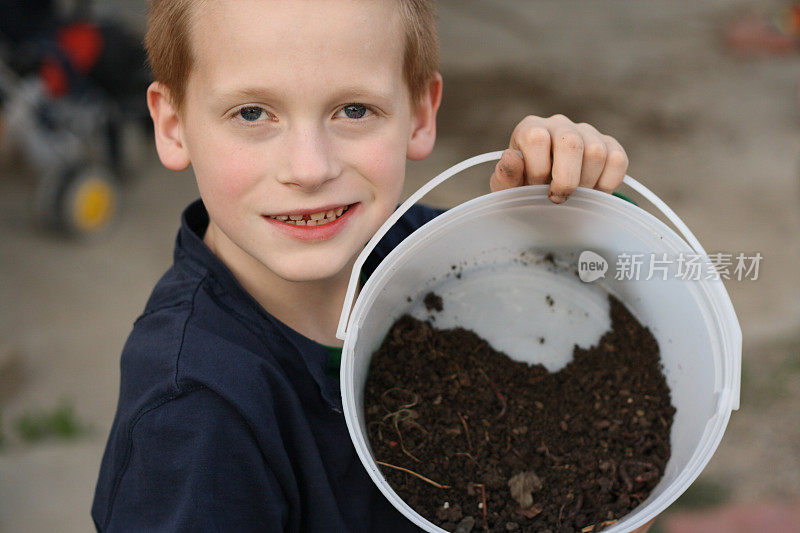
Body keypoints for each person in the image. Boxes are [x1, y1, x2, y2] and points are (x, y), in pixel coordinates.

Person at [92, 1, 649, 531]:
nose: (308, 168)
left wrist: (558, 215)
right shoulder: (193, 417)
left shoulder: (424, 256)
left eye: (353, 110)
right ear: (172, 125)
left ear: (420, 114)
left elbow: (605, 333)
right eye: (252, 112)